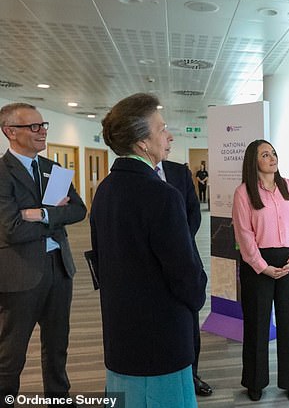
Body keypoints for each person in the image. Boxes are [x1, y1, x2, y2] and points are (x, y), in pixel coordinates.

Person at [90, 93, 207, 407]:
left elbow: (100, 260)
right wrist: (198, 294)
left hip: (121, 335)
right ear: (142, 142)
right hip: (162, 341)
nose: (168, 136)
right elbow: (186, 276)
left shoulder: (105, 190)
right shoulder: (162, 195)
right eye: (162, 128)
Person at [0, 103, 87, 407]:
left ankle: (59, 399)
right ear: (10, 131)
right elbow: (12, 230)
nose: (42, 131)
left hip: (59, 269)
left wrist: (40, 215)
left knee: (57, 345)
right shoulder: (2, 173)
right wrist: (54, 215)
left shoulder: (54, 169)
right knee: (11, 352)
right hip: (20, 275)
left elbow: (78, 210)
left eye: (43, 125)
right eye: (33, 127)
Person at [232, 139, 289, 402]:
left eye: (273, 152)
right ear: (254, 161)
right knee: (256, 325)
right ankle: (255, 381)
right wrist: (262, 267)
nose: (272, 157)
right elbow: (244, 235)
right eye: (265, 154)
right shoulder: (244, 193)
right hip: (257, 265)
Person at [156, 158, 213, 397]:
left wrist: (180, 241)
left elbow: (193, 211)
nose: (168, 138)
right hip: (149, 263)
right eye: (162, 131)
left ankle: (192, 374)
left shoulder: (178, 171)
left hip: (184, 256)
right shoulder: (132, 175)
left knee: (189, 321)